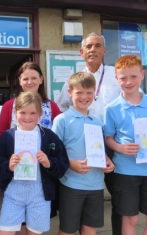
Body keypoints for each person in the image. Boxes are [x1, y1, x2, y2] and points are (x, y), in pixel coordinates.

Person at [56, 32, 122, 235]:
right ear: (82, 51)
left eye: (97, 46)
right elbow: (61, 107)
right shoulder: (73, 81)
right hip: (80, 149)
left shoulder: (115, 75)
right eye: (89, 46)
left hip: (112, 144)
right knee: (71, 218)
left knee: (118, 200)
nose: (93, 49)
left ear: (104, 50)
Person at [0, 91, 69, 235]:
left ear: (39, 113)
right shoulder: (8, 136)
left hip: (39, 196)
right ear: (15, 112)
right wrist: (8, 166)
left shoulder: (49, 137)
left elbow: (63, 162)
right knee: (4, 232)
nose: (27, 117)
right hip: (13, 195)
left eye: (32, 113)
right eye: (22, 112)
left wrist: (49, 164)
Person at [52, 72, 115, 235]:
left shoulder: (97, 122)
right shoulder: (62, 120)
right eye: (79, 92)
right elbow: (54, 151)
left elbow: (99, 149)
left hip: (96, 184)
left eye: (89, 92)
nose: (84, 97)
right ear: (70, 92)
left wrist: (107, 161)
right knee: (67, 229)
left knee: (90, 227)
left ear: (94, 93)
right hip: (71, 184)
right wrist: (70, 163)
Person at [103, 55, 147, 235]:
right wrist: (120, 148)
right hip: (125, 172)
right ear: (116, 79)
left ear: (142, 75)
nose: (128, 82)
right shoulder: (111, 108)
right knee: (131, 218)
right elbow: (108, 138)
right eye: (123, 78)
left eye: (133, 76)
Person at [0, 62, 60, 138]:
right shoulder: (9, 105)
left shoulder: (52, 106)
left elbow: (59, 135)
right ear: (20, 81)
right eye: (25, 79)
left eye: (34, 78)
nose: (30, 82)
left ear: (41, 79)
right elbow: (2, 135)